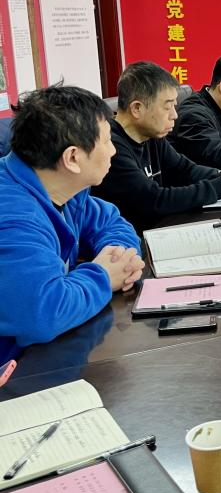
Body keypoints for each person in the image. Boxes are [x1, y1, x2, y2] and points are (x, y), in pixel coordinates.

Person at [0, 86, 143, 363]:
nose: (114, 150)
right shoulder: (14, 217)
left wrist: (119, 257)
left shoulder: (61, 186)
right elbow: (43, 314)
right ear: (73, 158)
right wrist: (104, 276)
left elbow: (112, 222)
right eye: (107, 141)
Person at [92, 62, 221, 234]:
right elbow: (154, 200)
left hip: (160, 229)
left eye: (174, 105)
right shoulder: (110, 147)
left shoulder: (150, 135)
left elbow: (185, 169)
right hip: (132, 239)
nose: (174, 115)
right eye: (168, 107)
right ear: (137, 108)